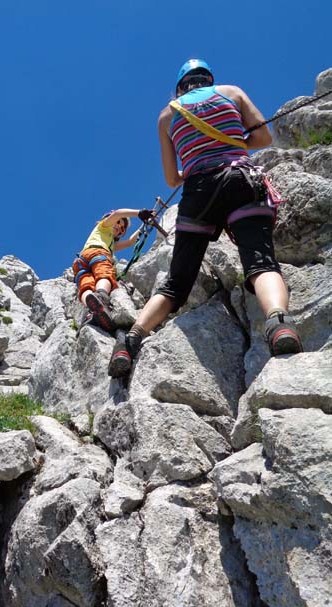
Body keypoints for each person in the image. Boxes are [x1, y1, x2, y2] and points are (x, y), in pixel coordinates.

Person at [108, 58, 303, 377]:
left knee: (176, 283)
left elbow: (172, 179)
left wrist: (196, 163)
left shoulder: (167, 114)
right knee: (261, 263)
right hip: (242, 179)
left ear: (181, 87)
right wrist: (233, 141)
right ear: (208, 80)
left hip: (198, 191)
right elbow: (263, 138)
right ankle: (279, 324)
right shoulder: (231, 92)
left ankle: (130, 341)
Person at [73, 208, 155, 332]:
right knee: (104, 274)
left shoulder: (111, 243)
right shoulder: (104, 226)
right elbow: (118, 213)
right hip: (98, 253)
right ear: (110, 219)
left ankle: (92, 308)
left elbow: (130, 243)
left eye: (122, 229)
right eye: (118, 223)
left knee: (86, 286)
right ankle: (101, 297)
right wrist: (139, 213)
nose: (119, 227)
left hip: (81, 261)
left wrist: (144, 225)